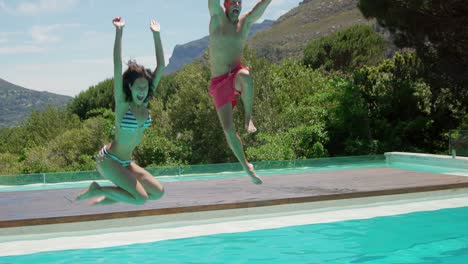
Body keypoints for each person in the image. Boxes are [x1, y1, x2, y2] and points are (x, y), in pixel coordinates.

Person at [77, 17, 165, 205]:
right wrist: (119, 32)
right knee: (140, 199)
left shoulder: (145, 102)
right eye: (138, 87)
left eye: (145, 88)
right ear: (130, 87)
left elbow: (162, 66)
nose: (142, 91)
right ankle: (98, 190)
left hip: (127, 163)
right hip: (109, 160)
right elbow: (117, 65)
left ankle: (103, 199)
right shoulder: (123, 103)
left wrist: (156, 35)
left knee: (158, 192)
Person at [208, 0, 272, 185]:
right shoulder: (217, 18)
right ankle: (246, 166)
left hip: (235, 75)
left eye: (239, 2)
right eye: (233, 2)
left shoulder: (244, 22)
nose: (237, 5)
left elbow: (256, 10)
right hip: (219, 82)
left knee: (245, 75)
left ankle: (248, 117)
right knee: (228, 130)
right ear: (226, 5)